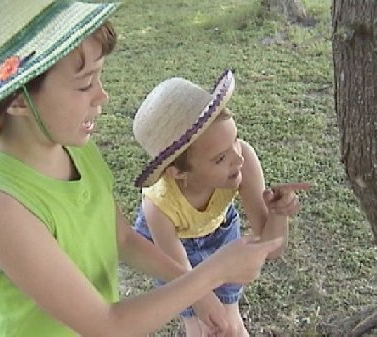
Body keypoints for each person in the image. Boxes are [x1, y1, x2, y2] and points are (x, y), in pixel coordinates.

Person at [0, 1, 284, 336]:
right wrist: (213, 274)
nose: (102, 95)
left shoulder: (77, 150)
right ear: (17, 98)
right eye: (85, 83)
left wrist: (199, 292)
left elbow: (122, 237)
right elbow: (106, 324)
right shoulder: (5, 206)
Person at [133, 70, 310, 336]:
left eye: (235, 140)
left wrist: (278, 214)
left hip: (219, 229)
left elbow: (271, 249)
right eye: (219, 159)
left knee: (231, 321)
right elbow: (185, 282)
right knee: (203, 327)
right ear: (177, 172)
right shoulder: (158, 208)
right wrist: (208, 313)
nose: (237, 159)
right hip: (173, 247)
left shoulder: (243, 160)